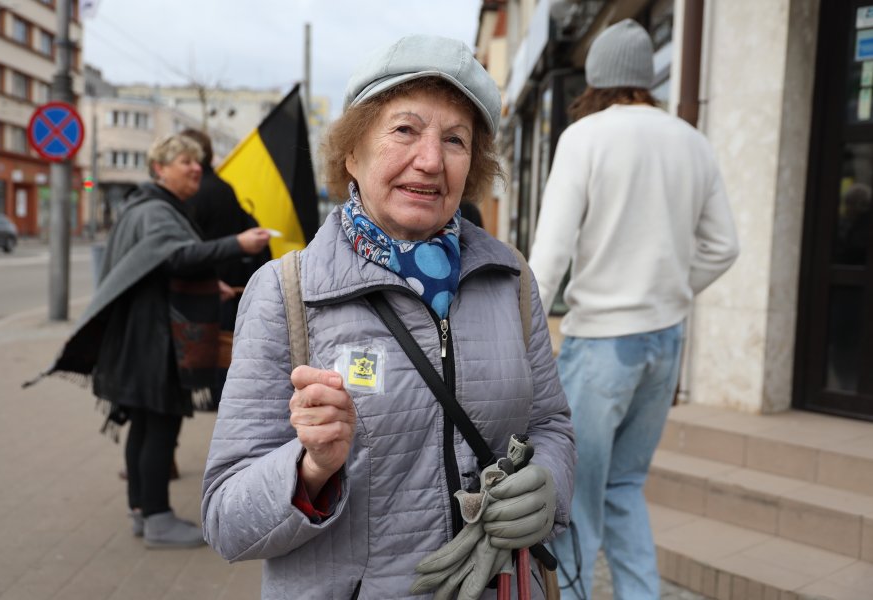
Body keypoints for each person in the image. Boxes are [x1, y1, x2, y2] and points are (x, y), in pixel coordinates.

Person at [201, 34, 577, 599]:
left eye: (455, 139)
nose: (430, 160)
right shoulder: (286, 292)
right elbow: (225, 516)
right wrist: (310, 469)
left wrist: (549, 485)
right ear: (352, 152)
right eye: (404, 130)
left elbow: (551, 426)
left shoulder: (511, 280)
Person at [528, 19, 740, 599]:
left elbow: (549, 258)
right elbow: (725, 247)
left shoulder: (586, 138)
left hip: (601, 345)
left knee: (572, 500)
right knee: (623, 489)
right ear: (646, 77)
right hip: (665, 342)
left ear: (596, 76)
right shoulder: (691, 140)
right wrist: (669, 289)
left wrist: (517, 341)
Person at [29, 133, 271, 548]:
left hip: (140, 335)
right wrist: (238, 244)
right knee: (159, 424)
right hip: (154, 339)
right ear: (159, 168)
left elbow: (157, 269)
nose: (196, 168)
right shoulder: (158, 210)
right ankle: (158, 519)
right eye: (184, 162)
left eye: (197, 162)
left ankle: (141, 510)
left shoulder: (144, 207)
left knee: (143, 424)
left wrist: (212, 285)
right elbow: (175, 257)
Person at [181, 127, 272, 407]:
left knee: (208, 349)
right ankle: (223, 400)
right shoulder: (224, 188)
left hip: (204, 285)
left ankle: (211, 399)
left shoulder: (192, 194)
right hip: (232, 284)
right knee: (225, 348)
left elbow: (188, 249)